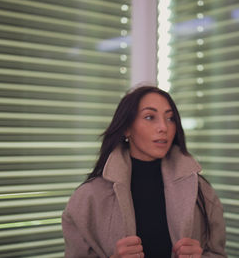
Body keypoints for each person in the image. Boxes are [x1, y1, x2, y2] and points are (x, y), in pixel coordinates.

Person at [62, 85, 227, 258]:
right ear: (127, 128)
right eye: (150, 117)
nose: (164, 127)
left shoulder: (200, 190)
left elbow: (219, 253)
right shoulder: (87, 198)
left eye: (170, 119)